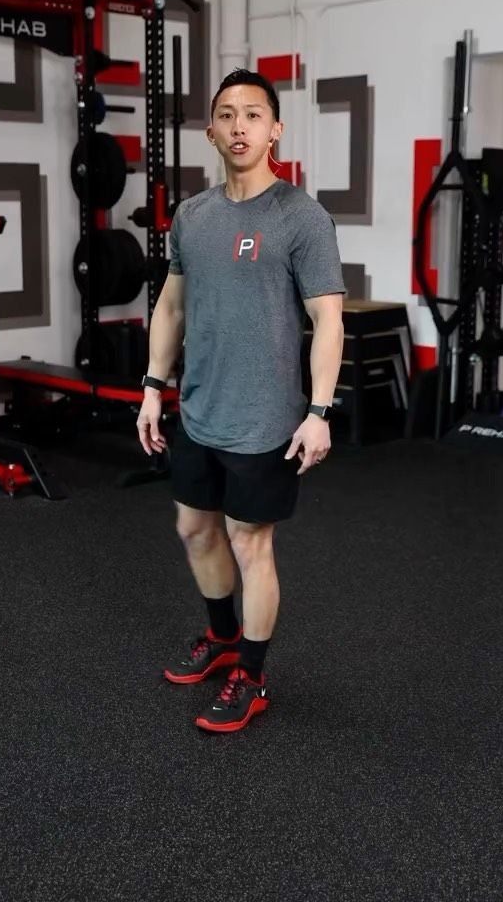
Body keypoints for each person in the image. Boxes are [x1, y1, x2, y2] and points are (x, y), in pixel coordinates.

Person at [137, 68, 345, 733]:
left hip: (264, 420)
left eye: (252, 115)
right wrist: (152, 387)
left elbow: (329, 320)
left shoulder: (300, 217)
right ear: (212, 131)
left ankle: (251, 678)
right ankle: (222, 636)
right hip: (199, 409)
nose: (239, 127)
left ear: (275, 128)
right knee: (194, 528)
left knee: (250, 544)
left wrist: (318, 412)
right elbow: (172, 305)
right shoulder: (193, 216)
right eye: (226, 115)